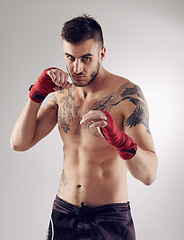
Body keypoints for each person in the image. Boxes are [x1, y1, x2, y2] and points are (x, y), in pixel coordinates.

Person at [10, 15, 158, 240]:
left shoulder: (128, 96)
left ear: (102, 53)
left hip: (110, 218)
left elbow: (149, 175)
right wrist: (36, 95)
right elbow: (19, 143)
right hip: (64, 213)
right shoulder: (61, 93)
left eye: (86, 58)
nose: (76, 68)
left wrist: (120, 140)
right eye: (70, 58)